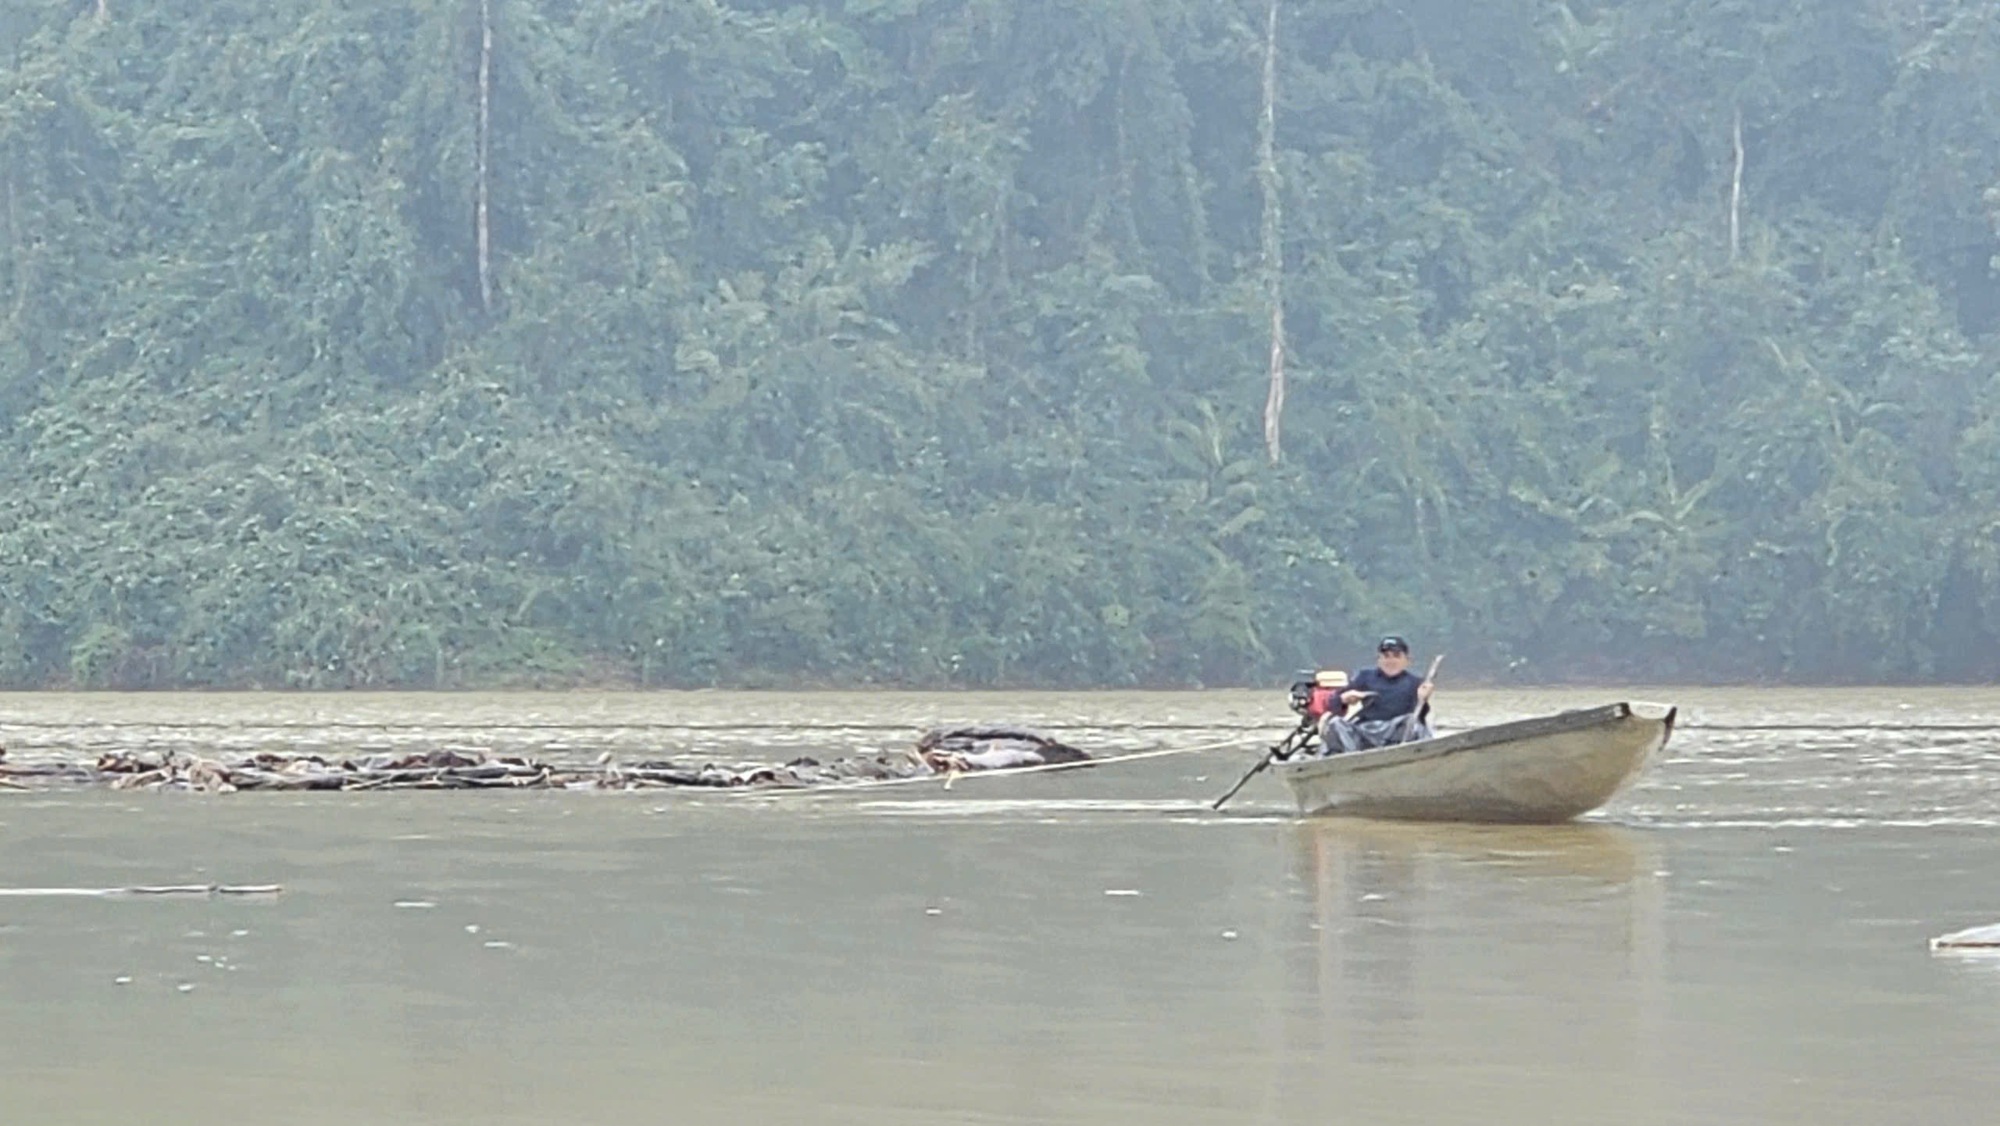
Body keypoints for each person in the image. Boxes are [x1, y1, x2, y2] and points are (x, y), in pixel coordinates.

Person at [1319, 636, 1434, 754]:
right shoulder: (1365, 677)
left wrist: (1423, 699)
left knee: (1414, 724)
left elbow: (1420, 716)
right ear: (1378, 659)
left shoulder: (1415, 682)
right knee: (1335, 724)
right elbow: (1332, 703)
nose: (1391, 661)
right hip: (1365, 731)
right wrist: (1343, 699)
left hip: (1397, 732)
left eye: (1396, 656)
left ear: (1407, 660)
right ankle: (1350, 759)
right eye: (1386, 656)